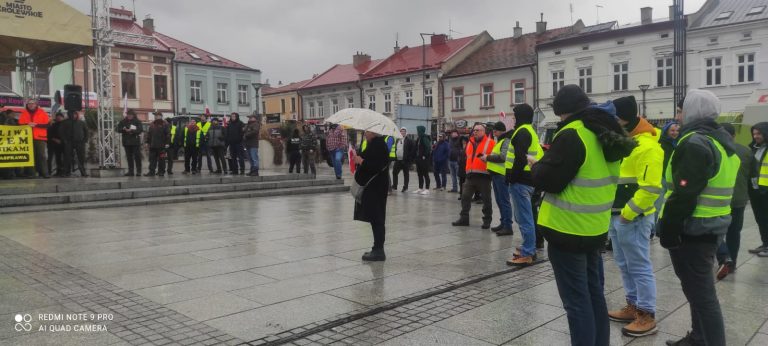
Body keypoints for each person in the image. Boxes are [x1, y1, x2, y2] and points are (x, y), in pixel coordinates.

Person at [532, 85, 635, 346]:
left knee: (577, 304)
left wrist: (539, 165)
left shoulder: (573, 133)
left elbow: (550, 180)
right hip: (595, 228)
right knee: (594, 296)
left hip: (567, 230)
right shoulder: (605, 131)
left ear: (561, 111)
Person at [659, 89, 739, 346]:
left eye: (681, 111)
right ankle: (699, 338)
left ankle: (708, 340)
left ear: (694, 112)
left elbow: (684, 193)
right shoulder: (722, 141)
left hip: (692, 229)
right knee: (697, 292)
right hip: (711, 225)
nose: (677, 116)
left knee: (703, 297)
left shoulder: (694, 142)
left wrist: (668, 231)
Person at [600, 96, 663, 337]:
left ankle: (647, 314)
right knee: (625, 264)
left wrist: (627, 215)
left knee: (639, 265)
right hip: (619, 215)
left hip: (632, 217)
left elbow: (651, 188)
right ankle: (633, 305)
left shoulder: (647, 146)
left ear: (624, 118)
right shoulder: (627, 142)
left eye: (614, 118)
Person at [715, 123, 754, 279]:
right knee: (734, 232)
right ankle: (733, 263)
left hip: (716, 200)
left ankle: (724, 259)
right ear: (734, 135)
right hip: (738, 199)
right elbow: (753, 176)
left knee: (714, 231)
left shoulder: (715, 149)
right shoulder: (746, 151)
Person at [505, 103, 544, 263]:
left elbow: (520, 158)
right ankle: (529, 246)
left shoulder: (522, 132)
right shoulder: (529, 131)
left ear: (520, 116)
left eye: (515, 115)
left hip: (521, 181)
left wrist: (512, 178)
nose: (513, 118)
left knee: (524, 217)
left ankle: (528, 252)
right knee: (523, 216)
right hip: (527, 179)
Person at [353, 131, 390, 261]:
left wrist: (362, 161)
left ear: (374, 133)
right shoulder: (373, 144)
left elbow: (377, 166)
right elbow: (368, 159)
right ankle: (377, 248)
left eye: (367, 132)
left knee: (377, 218)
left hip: (376, 188)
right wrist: (358, 157)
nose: (365, 134)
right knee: (375, 218)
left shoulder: (379, 145)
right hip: (374, 188)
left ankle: (379, 250)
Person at [453, 123, 496, 229]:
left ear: (483, 131)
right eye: (474, 130)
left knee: (486, 200)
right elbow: (468, 157)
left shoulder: (491, 143)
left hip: (484, 176)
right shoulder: (470, 142)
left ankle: (487, 220)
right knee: (465, 197)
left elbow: (494, 158)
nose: (475, 132)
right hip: (470, 175)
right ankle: (464, 218)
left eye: (478, 130)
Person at [485, 121, 514, 235]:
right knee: (499, 200)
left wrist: (487, 157)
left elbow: (503, 157)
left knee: (504, 201)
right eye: (493, 131)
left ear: (501, 131)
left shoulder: (506, 141)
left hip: (501, 175)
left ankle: (508, 226)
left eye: (495, 131)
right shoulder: (500, 141)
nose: (494, 133)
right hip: (496, 175)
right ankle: (503, 223)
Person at [747, 122, 768, 257]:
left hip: (766, 189)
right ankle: (765, 243)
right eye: (754, 134)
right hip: (756, 190)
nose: (756, 136)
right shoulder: (754, 148)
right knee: (760, 218)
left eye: (759, 133)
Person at [18, 99, 50, 178]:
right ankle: (31, 173)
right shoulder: (23, 113)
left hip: (39, 137)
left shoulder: (42, 113)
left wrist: (36, 125)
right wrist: (27, 124)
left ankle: (44, 173)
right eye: (29, 104)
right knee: (30, 156)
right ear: (27, 105)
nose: (31, 105)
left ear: (36, 104)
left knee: (41, 155)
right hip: (27, 138)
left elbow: (47, 125)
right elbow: (19, 125)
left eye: (32, 103)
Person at [59, 110, 89, 177]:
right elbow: (61, 132)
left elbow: (86, 131)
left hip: (80, 142)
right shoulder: (65, 122)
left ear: (77, 115)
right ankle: (66, 172)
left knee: (81, 157)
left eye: (75, 114)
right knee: (67, 157)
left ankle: (83, 172)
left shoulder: (81, 122)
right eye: (72, 114)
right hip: (69, 142)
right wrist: (64, 140)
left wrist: (85, 140)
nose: (73, 115)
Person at [116, 109, 143, 177]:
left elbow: (140, 130)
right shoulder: (123, 121)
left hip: (135, 142)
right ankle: (131, 171)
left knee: (137, 157)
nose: (129, 116)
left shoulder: (137, 121)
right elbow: (118, 129)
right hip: (126, 142)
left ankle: (138, 171)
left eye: (131, 115)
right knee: (129, 157)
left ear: (133, 115)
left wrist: (132, 130)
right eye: (128, 115)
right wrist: (124, 130)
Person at [145, 112, 170, 176]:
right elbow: (149, 134)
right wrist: (147, 142)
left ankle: (161, 172)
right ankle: (151, 172)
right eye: (155, 115)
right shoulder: (152, 124)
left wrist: (167, 143)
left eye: (157, 115)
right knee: (152, 159)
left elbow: (168, 134)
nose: (155, 116)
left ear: (160, 116)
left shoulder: (165, 124)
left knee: (162, 159)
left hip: (162, 146)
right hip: (153, 145)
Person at [391, 127, 415, 192]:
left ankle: (405, 187)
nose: (402, 132)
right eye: (401, 131)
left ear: (406, 132)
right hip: (398, 160)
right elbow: (396, 149)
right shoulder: (397, 140)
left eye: (404, 131)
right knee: (394, 172)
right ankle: (394, 186)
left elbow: (412, 150)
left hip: (405, 160)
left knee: (406, 174)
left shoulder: (409, 140)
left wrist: (409, 159)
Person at [414, 125, 432, 195]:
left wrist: (424, 155)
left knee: (425, 173)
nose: (417, 132)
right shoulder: (419, 138)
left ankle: (427, 189)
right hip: (418, 158)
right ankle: (420, 188)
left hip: (424, 159)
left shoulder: (425, 138)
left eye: (418, 130)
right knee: (419, 173)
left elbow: (428, 148)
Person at [47, 112, 65, 176]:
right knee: (57, 159)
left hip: (64, 144)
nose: (59, 118)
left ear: (63, 117)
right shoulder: (53, 125)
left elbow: (68, 134)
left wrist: (62, 141)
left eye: (60, 116)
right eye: (57, 117)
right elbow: (49, 134)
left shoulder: (66, 125)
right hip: (54, 144)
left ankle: (64, 172)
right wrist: (54, 139)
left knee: (64, 159)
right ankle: (58, 171)